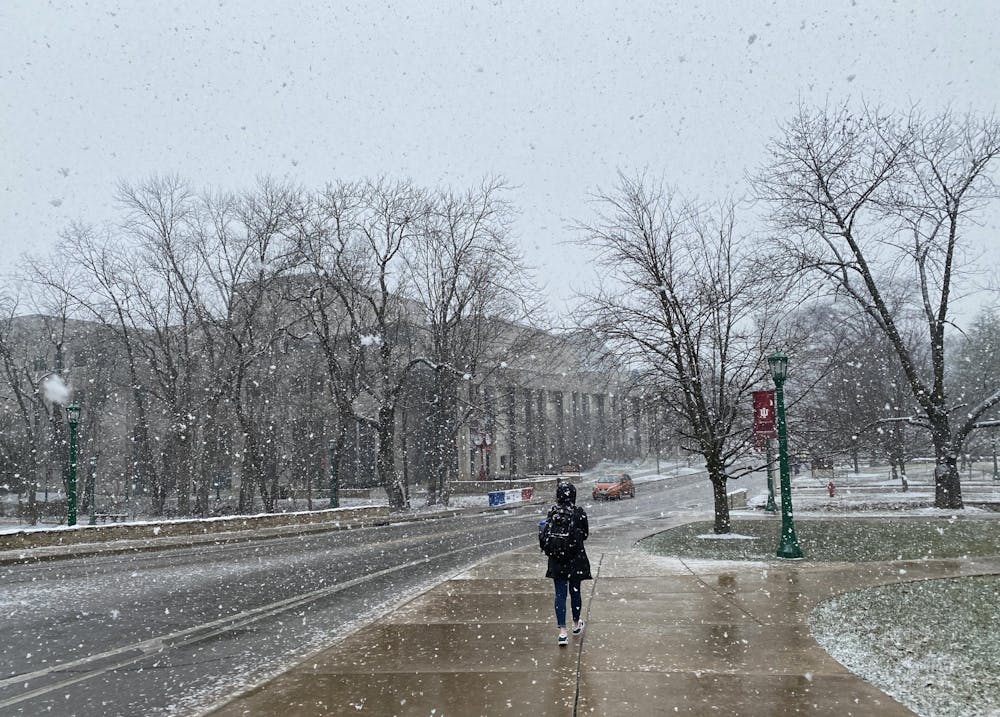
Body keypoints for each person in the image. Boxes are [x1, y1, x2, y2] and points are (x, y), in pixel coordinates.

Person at [540, 482, 591, 646]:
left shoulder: (552, 513)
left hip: (557, 559)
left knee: (560, 595)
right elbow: (584, 534)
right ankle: (576, 624)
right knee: (575, 591)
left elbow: (545, 534)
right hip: (574, 559)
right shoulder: (579, 512)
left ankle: (562, 632)